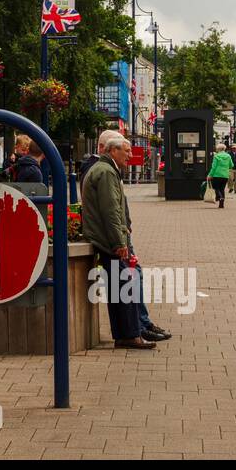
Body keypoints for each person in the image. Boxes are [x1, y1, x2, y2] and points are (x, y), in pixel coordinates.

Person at [80, 130, 156, 350]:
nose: (130, 155)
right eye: (126, 150)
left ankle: (124, 335)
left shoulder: (106, 169)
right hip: (108, 240)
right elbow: (111, 210)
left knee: (117, 288)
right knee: (126, 286)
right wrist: (119, 242)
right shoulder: (106, 172)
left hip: (104, 238)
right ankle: (131, 335)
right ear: (112, 150)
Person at [208, 143, 232, 208]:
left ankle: (219, 197)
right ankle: (221, 204)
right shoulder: (228, 156)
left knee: (216, 187)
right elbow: (231, 165)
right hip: (225, 176)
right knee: (222, 189)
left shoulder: (216, 156)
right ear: (224, 149)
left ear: (218, 149)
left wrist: (210, 175)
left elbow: (213, 167)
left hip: (217, 175)